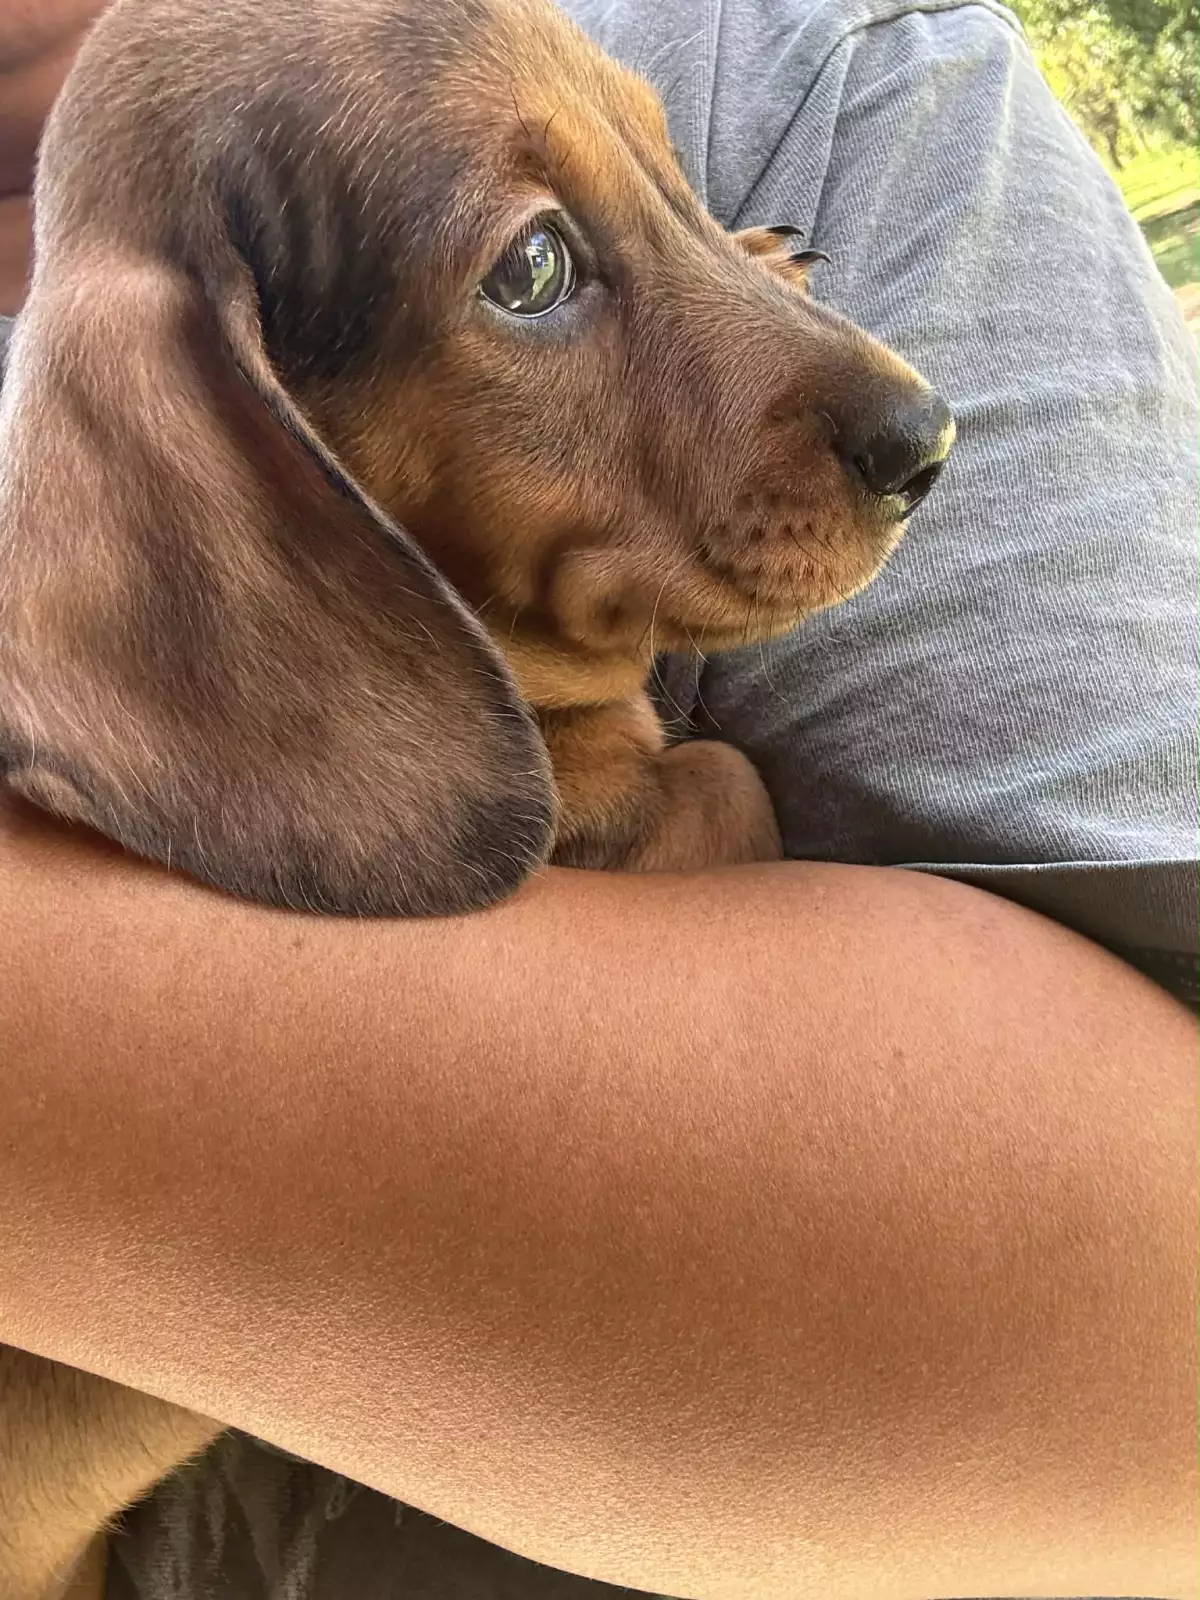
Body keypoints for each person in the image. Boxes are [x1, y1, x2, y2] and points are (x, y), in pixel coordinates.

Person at [0, 0, 1196, 1596]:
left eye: (677, 191)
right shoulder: (170, 516)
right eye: (533, 269)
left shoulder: (824, 75)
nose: (884, 398)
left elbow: (1154, 1314)